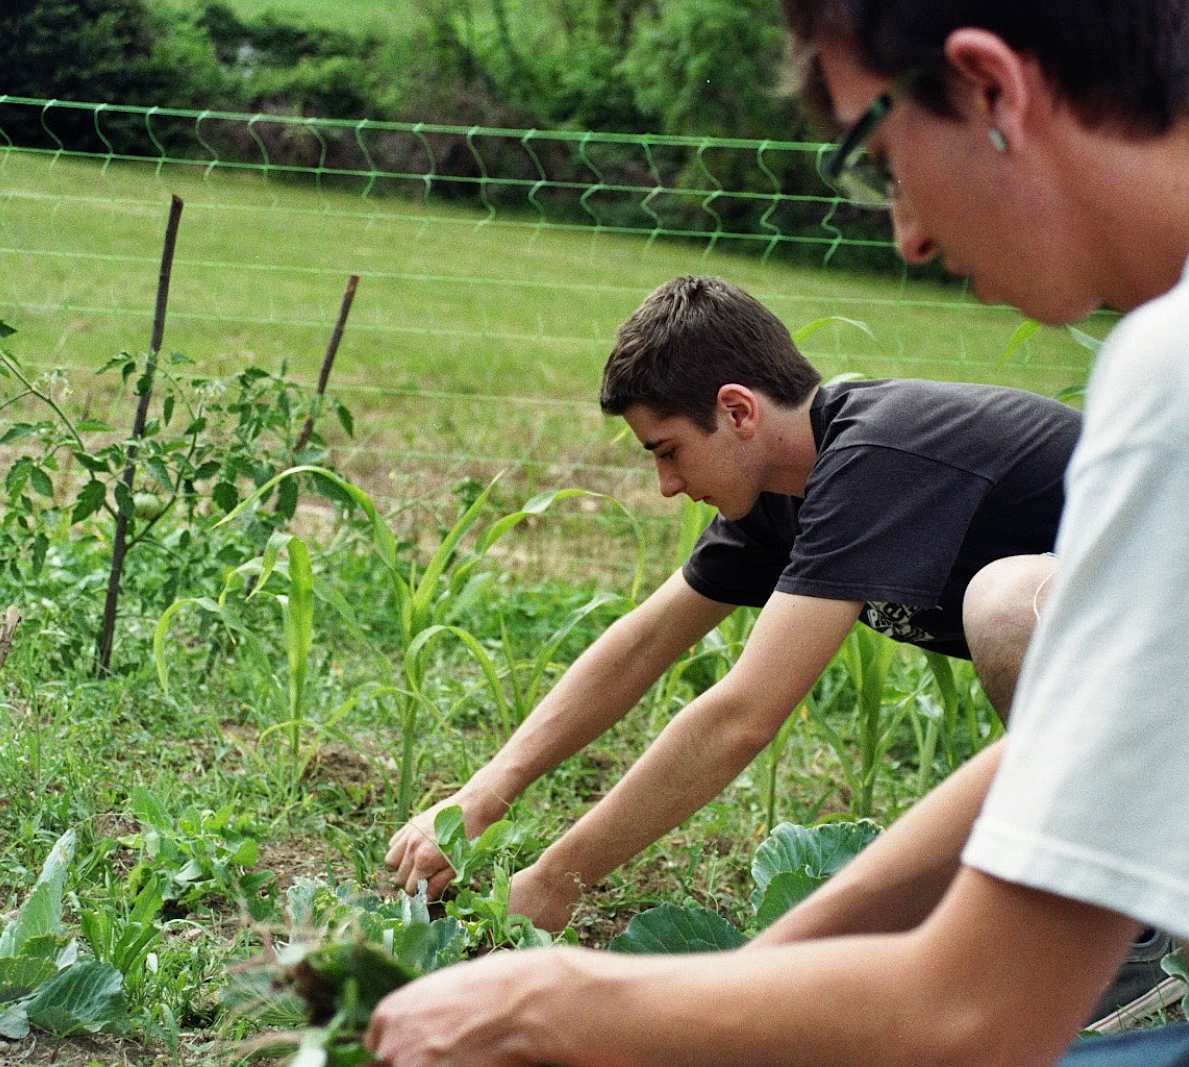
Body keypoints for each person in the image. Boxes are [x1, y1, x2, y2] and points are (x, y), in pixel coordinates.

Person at [363, 1, 1189, 1065]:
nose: (908, 236)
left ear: (991, 89)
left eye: (881, 163)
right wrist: (504, 804)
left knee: (1005, 605)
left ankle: (1143, 960)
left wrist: (565, 1002)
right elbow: (1059, 744)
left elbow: (973, 1011)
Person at [388, 273, 1079, 934]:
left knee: (1007, 605)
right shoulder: (783, 493)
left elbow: (741, 717)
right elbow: (644, 643)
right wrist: (484, 790)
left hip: (1150, 658)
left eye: (669, 451)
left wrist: (555, 880)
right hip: (1122, 693)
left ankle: (1102, 920)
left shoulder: (876, 456)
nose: (665, 485)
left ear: (738, 411)